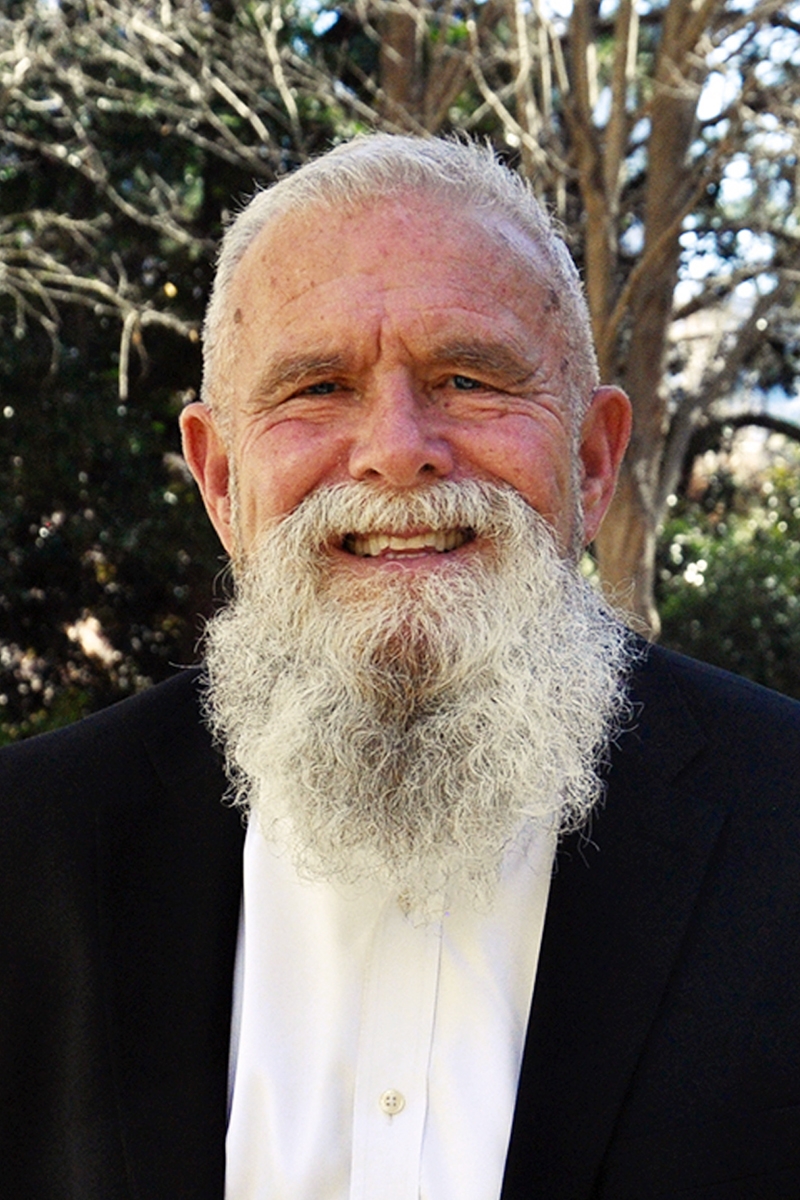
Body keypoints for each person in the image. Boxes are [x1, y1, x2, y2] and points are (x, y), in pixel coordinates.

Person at [1, 134, 799, 1200]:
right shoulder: (26, 853)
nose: (395, 449)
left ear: (593, 460)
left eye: (467, 378)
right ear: (220, 478)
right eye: (316, 386)